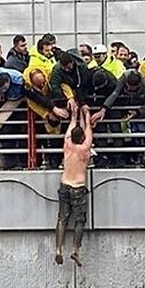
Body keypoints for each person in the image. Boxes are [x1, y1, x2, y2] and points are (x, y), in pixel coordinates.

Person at [55, 104, 92, 267]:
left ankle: (58, 249)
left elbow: (71, 128)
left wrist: (74, 116)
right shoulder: (84, 149)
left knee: (62, 218)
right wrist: (87, 115)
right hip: (78, 187)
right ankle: (75, 249)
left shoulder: (67, 145)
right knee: (79, 219)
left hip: (64, 184)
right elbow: (89, 129)